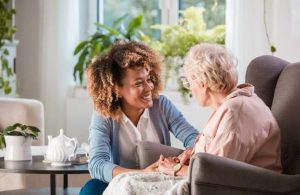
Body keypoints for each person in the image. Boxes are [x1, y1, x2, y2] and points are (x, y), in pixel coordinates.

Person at [102, 43, 282, 195]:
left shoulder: (236, 112)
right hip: (218, 182)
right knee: (124, 181)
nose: (190, 89)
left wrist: (174, 169)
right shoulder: (233, 105)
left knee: (127, 186)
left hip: (246, 188)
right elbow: (215, 160)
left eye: (189, 83)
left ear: (203, 84)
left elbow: (215, 175)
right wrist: (191, 154)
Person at [79, 41, 199, 195]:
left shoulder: (161, 105)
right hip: (121, 184)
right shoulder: (104, 114)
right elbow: (98, 164)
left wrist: (183, 157)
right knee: (92, 188)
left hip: (159, 182)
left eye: (148, 79)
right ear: (117, 89)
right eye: (138, 83)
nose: (149, 87)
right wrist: (141, 173)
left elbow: (193, 138)